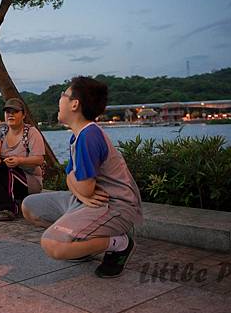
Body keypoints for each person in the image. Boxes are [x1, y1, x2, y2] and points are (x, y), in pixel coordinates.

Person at [22, 76, 143, 278]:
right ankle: (82, 245)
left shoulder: (89, 136)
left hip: (114, 207)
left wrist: (78, 187)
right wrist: (78, 187)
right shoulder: (77, 136)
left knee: (53, 244)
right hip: (86, 202)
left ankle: (119, 244)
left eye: (63, 95)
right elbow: (72, 179)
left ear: (75, 104)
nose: (59, 99)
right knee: (29, 206)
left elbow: (83, 186)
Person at [0, 98, 45, 221]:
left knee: (2, 167)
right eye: (8, 112)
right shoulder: (1, 133)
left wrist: (19, 161)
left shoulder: (31, 133)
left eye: (15, 112)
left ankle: (9, 208)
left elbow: (39, 160)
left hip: (29, 181)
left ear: (23, 115)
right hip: (7, 176)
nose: (10, 115)